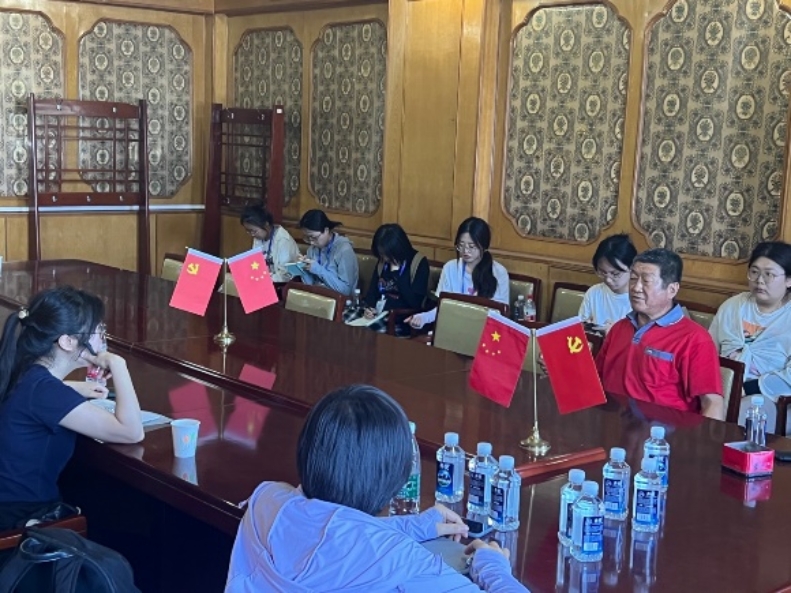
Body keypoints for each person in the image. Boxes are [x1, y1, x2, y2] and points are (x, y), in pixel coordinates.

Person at [226, 384, 527, 592]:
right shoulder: (400, 561)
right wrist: (493, 566)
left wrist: (411, 526)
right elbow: (357, 541)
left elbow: (329, 529)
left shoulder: (267, 500)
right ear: (394, 474)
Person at [0, 287, 144, 531]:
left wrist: (70, 387)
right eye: (98, 331)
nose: (102, 340)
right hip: (21, 517)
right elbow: (131, 432)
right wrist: (118, 364)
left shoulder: (25, 371)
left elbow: (34, 397)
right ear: (67, 341)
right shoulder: (47, 392)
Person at [595, 249, 724, 420]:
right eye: (633, 278)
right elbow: (595, 380)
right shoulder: (619, 328)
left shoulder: (695, 339)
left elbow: (712, 403)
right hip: (610, 424)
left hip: (663, 433)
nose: (636, 288)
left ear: (672, 289)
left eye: (646, 281)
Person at [709, 241, 791, 431]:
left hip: (769, 398)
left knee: (737, 413)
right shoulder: (732, 306)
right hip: (721, 386)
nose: (759, 280)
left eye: (769, 274)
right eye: (754, 272)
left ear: (789, 280)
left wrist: (749, 388)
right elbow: (708, 349)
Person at [407, 217, 509, 329]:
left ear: (484, 246)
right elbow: (443, 308)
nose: (465, 251)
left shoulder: (499, 273)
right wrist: (423, 318)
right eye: (461, 245)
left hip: (485, 331)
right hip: (454, 327)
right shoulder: (450, 268)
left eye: (471, 246)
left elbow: (500, 314)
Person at [363, 224, 429, 332]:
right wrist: (369, 309)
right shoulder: (383, 261)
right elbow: (372, 293)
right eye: (381, 254)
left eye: (386, 254)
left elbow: (415, 302)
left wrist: (397, 274)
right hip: (378, 315)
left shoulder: (418, 263)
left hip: (402, 320)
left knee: (368, 333)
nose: (384, 258)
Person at [579, 233, 636, 332]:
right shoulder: (594, 293)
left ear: (632, 268)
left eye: (615, 274)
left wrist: (615, 333)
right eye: (602, 272)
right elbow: (580, 327)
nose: (608, 279)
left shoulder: (640, 300)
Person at [297, 209, 359, 297]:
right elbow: (310, 286)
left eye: (314, 237)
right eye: (307, 238)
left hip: (339, 301)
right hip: (316, 299)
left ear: (326, 230)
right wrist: (303, 268)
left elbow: (346, 291)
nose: (311, 242)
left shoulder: (344, 250)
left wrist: (318, 270)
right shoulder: (312, 249)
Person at [240, 204, 300, 282]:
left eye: (254, 231)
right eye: (248, 231)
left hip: (282, 283)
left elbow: (285, 275)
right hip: (265, 280)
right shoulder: (258, 237)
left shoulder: (283, 240)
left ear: (266, 224)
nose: (252, 234)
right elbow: (256, 264)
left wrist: (264, 279)